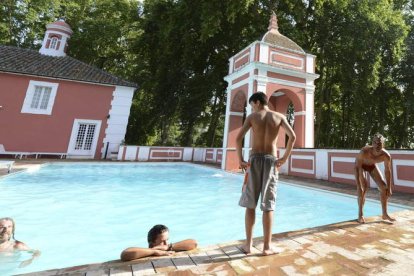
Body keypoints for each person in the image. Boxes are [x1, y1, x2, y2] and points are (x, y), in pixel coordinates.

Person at [236, 92, 296, 256]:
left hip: (254, 160)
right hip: (271, 161)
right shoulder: (278, 116)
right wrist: (284, 158)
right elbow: (293, 136)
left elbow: (238, 138)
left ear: (257, 102)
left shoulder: (252, 117)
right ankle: (267, 247)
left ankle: (248, 246)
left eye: (251, 105)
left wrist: (240, 159)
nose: (252, 108)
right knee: (268, 206)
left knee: (250, 204)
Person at [354, 133, 395, 224]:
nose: (377, 145)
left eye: (379, 143)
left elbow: (388, 171)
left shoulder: (386, 155)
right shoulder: (364, 152)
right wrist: (358, 185)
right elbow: (358, 167)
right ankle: (360, 215)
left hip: (371, 166)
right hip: (360, 167)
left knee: (384, 189)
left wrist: (389, 187)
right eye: (375, 143)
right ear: (372, 143)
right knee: (363, 188)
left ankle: (384, 214)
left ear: (383, 144)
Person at [120, 224, 197, 261]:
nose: (166, 244)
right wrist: (154, 251)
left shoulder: (168, 248)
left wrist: (168, 247)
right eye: (162, 242)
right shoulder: (143, 253)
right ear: (151, 243)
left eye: (167, 240)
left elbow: (193, 243)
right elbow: (124, 254)